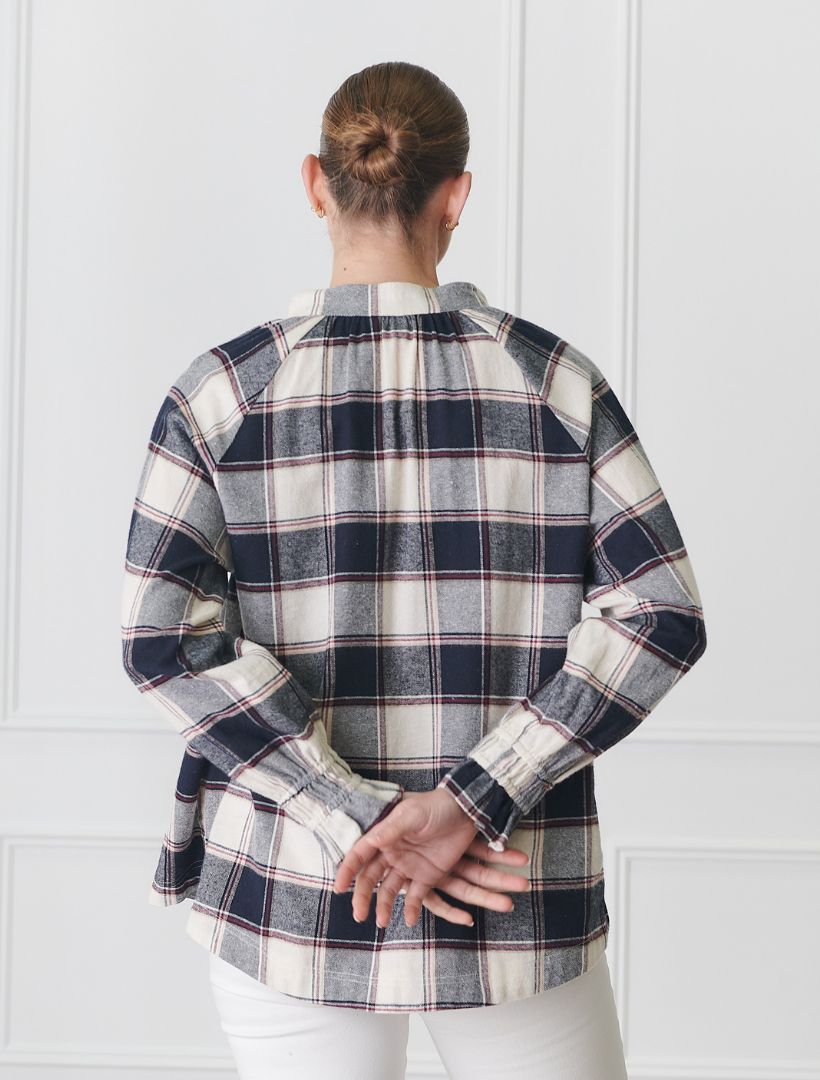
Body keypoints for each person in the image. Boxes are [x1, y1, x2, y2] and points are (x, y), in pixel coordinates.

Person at [121, 60, 707, 1079]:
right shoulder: (556, 384)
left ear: (316, 182)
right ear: (456, 195)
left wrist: (356, 815)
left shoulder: (219, 394)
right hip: (511, 891)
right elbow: (659, 612)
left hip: (298, 890)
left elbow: (164, 642)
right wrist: (472, 801)